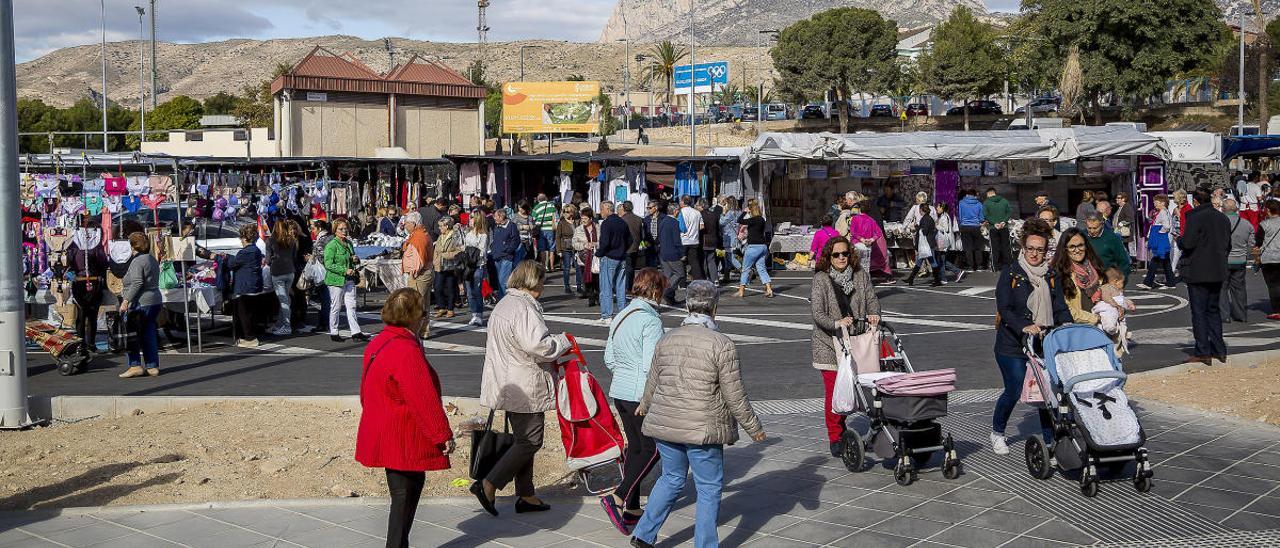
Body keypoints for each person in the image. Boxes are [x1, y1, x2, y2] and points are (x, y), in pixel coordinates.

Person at [629, 280, 766, 548]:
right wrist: (754, 426)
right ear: (714, 307)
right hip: (702, 428)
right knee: (708, 488)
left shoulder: (667, 338)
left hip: (666, 424)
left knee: (670, 479)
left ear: (688, 305)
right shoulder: (721, 343)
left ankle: (643, 534)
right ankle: (704, 544)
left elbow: (653, 380)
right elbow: (734, 393)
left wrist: (645, 405)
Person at [355, 288, 454, 548]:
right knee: (404, 494)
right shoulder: (406, 349)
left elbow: (365, 388)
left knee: (403, 490)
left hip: (382, 424)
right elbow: (423, 398)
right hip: (402, 430)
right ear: (414, 317)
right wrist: (442, 434)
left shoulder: (379, 341)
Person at [473, 261, 571, 516]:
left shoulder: (506, 303)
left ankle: (526, 494)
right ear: (531, 281)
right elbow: (538, 346)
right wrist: (563, 341)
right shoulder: (524, 307)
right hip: (525, 382)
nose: (543, 285)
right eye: (541, 280)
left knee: (523, 439)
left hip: (509, 379)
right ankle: (489, 483)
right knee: (530, 440)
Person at [991, 218, 1071, 454]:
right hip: (1012, 345)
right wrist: (1024, 326)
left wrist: (1068, 326)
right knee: (1014, 389)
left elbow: (1059, 306)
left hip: (1043, 343)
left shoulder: (1051, 274)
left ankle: (1050, 439)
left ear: (1046, 251)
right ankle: (997, 432)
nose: (1035, 254)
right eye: (1030, 249)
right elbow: (1004, 308)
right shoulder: (1012, 273)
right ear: (1022, 248)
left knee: (1047, 392)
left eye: (1040, 249)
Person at [599, 269, 668, 533]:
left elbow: (609, 358)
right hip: (641, 393)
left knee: (635, 447)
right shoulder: (650, 321)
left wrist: (625, 374)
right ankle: (619, 496)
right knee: (651, 449)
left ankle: (632, 504)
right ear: (653, 290)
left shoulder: (621, 315)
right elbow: (653, 364)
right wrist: (649, 395)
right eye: (661, 290)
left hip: (620, 390)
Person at [811, 236, 880, 456]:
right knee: (836, 392)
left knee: (865, 389)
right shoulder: (821, 279)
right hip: (829, 344)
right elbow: (817, 313)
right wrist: (836, 323)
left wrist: (874, 314)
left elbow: (872, 300)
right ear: (828, 257)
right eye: (836, 255)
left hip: (857, 343)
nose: (841, 258)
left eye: (845, 254)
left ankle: (875, 426)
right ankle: (836, 434)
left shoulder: (860, 276)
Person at [1179, 187, 1231, 364]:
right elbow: (1227, 245)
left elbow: (1188, 243)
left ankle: (1203, 351)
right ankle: (1219, 349)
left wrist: (1179, 240)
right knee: (1213, 310)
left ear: (1195, 201)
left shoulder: (1195, 217)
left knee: (1199, 312)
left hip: (1198, 269)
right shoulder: (1222, 217)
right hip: (1217, 268)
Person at [118, 232, 163, 378]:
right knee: (149, 333)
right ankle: (152, 366)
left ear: (133, 246)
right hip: (155, 300)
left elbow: (137, 282)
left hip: (141, 302)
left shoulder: (137, 261)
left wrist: (126, 300)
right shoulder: (151, 258)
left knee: (132, 334)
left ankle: (135, 365)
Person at [323, 218, 370, 343]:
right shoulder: (331, 245)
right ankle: (334, 331)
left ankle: (356, 332)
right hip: (336, 280)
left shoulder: (348, 243)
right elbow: (328, 264)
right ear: (335, 230)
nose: (344, 231)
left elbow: (352, 260)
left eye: (345, 228)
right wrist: (344, 270)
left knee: (351, 306)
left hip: (349, 279)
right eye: (341, 229)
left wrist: (355, 260)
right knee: (336, 306)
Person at [1051, 228, 1105, 328]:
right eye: (1072, 247)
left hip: (1105, 324)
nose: (1077, 250)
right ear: (1065, 249)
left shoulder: (1096, 267)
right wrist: (1095, 318)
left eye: (1080, 245)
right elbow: (1064, 308)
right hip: (1079, 328)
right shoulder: (1060, 274)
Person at [67, 222, 107, 353]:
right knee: (84, 314)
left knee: (89, 314)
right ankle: (82, 344)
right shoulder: (75, 246)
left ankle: (89, 344)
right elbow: (68, 265)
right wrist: (72, 276)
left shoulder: (94, 245)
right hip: (80, 283)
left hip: (93, 283)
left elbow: (103, 264)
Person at [227, 224, 266, 348]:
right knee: (250, 313)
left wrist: (225, 257)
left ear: (244, 238)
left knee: (244, 314)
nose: (240, 240)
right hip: (254, 286)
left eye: (241, 237)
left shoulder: (245, 252)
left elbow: (232, 264)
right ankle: (249, 336)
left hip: (245, 287)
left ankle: (250, 338)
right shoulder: (256, 250)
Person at [843, 193, 894, 283]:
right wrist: (871, 239)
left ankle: (855, 282)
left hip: (857, 244)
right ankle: (866, 283)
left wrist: (862, 239)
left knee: (856, 263)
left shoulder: (855, 218)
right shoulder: (871, 219)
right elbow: (878, 232)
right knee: (866, 265)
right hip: (868, 245)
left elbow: (853, 231)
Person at [596, 201, 632, 324]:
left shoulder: (606, 223)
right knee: (621, 287)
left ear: (607, 210)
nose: (600, 212)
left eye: (601, 209)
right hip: (621, 257)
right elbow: (630, 240)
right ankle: (623, 314)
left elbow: (605, 242)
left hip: (609, 257)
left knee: (606, 287)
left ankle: (607, 315)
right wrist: (623, 250)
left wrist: (599, 253)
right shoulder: (622, 222)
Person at [1222, 199, 1254, 323]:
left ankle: (1224, 315)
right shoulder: (1246, 224)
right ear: (1236, 209)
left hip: (1223, 260)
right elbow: (1252, 243)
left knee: (1221, 288)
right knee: (1239, 288)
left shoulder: (1219, 223)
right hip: (1240, 259)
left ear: (1223, 209)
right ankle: (1241, 315)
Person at [735, 198, 774, 298]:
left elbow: (739, 220)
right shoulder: (762, 219)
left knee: (746, 269)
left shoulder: (752, 220)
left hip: (753, 247)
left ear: (751, 209)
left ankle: (741, 291)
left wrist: (744, 212)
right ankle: (769, 289)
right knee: (761, 268)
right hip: (763, 247)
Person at [266, 219, 298, 336]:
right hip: (290, 271)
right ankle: (280, 324)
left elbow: (268, 259)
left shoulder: (270, 240)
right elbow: (294, 256)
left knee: (283, 300)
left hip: (277, 272)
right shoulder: (292, 241)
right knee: (285, 300)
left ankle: (286, 326)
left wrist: (270, 261)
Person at [1138, 194, 1178, 290]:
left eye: (1156, 202)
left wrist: (1159, 232)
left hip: (1161, 240)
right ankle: (1171, 282)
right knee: (1166, 262)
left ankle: (1148, 282)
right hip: (1163, 240)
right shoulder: (1163, 212)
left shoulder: (1163, 212)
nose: (1154, 204)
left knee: (1155, 260)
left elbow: (1167, 226)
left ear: (1162, 203)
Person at [432, 216, 464, 319]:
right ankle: (442, 307)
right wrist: (435, 261)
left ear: (447, 226)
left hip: (451, 265)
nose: (439, 228)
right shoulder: (441, 236)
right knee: (437, 287)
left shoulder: (455, 235)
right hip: (439, 265)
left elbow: (460, 250)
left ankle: (450, 309)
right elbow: (437, 250)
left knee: (450, 288)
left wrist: (446, 255)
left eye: (441, 226)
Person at [400, 212, 433, 311]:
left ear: (413, 224)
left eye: (406, 223)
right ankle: (423, 326)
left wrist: (413, 274)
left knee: (415, 306)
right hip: (425, 273)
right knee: (423, 307)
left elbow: (419, 259)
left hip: (419, 275)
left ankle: (415, 326)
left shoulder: (418, 237)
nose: (405, 225)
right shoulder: (421, 234)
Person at [1083, 213, 1131, 282]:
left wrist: (1122, 282)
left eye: (1095, 228)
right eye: (1089, 228)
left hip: (1107, 281)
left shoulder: (1112, 238)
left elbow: (1123, 262)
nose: (1092, 231)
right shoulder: (1081, 236)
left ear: (1102, 224)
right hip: (1086, 281)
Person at [463, 211, 491, 326]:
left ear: (477, 220)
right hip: (468, 265)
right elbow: (465, 247)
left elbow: (482, 251)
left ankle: (479, 314)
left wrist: (471, 251)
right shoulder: (468, 233)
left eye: (472, 218)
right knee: (469, 292)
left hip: (478, 265)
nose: (470, 220)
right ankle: (474, 313)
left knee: (477, 291)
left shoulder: (483, 235)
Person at [1093, 267, 1136, 342]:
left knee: (1122, 321)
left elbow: (1123, 298)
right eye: (1122, 282)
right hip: (1109, 307)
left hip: (1117, 309)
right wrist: (1116, 305)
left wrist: (1130, 304)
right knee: (1109, 318)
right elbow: (1106, 297)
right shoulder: (1106, 287)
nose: (1123, 285)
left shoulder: (1118, 290)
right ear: (1115, 281)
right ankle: (1111, 329)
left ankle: (1122, 332)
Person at [307, 220, 334, 334]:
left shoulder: (322, 240)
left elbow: (322, 256)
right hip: (329, 272)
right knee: (327, 299)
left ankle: (324, 323)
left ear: (319, 228)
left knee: (324, 299)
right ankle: (326, 322)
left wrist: (311, 258)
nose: (312, 230)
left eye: (313, 228)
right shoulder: (331, 238)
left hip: (323, 272)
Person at [657, 202, 685, 306]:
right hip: (672, 253)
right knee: (679, 273)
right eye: (678, 211)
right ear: (676, 211)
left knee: (668, 276)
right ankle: (665, 292)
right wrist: (682, 253)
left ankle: (670, 298)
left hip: (663, 252)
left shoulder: (663, 221)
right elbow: (677, 240)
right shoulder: (674, 222)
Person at [490, 208, 521, 299]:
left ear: (501, 216)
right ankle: (504, 299)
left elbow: (516, 241)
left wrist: (508, 250)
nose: (494, 218)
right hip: (497, 257)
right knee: (500, 281)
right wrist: (493, 250)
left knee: (503, 280)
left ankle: (503, 301)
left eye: (495, 216)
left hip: (507, 257)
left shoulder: (511, 226)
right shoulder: (497, 226)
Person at [1257, 200, 1280, 320]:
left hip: (1269, 258)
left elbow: (1258, 242)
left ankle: (1277, 309)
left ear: (1267, 210)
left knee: (1273, 285)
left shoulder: (1264, 224)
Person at [934, 202, 965, 283]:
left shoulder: (944, 217)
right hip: (942, 241)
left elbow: (946, 229)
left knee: (941, 260)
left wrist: (936, 225)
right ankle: (957, 272)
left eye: (938, 207)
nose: (937, 208)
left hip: (943, 242)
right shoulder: (944, 216)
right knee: (942, 260)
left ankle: (944, 278)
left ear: (942, 208)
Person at [983, 187, 1013, 271]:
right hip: (1004, 227)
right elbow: (1009, 212)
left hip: (993, 228)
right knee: (1006, 247)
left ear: (989, 193)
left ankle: (995, 266)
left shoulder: (986, 203)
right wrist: (1004, 221)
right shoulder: (1004, 201)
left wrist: (994, 223)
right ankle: (1009, 265)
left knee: (994, 248)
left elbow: (986, 215)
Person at [576, 207, 601, 307]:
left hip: (596, 258)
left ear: (591, 218)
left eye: (585, 219)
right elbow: (574, 243)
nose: (583, 221)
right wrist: (584, 245)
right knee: (587, 279)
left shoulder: (598, 227)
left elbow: (603, 241)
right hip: (584, 258)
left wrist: (596, 244)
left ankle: (599, 296)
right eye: (582, 219)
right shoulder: (579, 229)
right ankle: (591, 297)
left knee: (597, 279)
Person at [678, 196, 705, 280]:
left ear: (683, 202)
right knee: (694, 262)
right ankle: (698, 280)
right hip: (694, 240)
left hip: (682, 240)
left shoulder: (680, 212)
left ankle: (682, 282)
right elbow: (702, 226)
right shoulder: (697, 212)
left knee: (681, 262)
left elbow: (677, 226)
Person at [957, 189, 986, 271]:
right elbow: (981, 218)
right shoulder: (979, 204)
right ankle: (979, 265)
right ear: (974, 195)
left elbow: (960, 215)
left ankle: (970, 266)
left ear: (967, 194)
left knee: (968, 247)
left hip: (965, 226)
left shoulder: (961, 203)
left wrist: (961, 223)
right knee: (978, 247)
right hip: (976, 226)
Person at [556, 203, 580, 294]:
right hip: (565, 247)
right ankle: (567, 286)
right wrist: (558, 250)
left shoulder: (577, 221)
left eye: (570, 212)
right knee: (567, 268)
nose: (568, 214)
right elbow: (558, 237)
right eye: (566, 212)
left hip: (576, 247)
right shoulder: (561, 222)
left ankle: (579, 286)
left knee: (578, 267)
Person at [619, 201, 645, 289]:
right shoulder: (639, 219)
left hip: (625, 248)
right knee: (631, 268)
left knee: (626, 269)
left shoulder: (622, 220)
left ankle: (626, 287)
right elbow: (642, 235)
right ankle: (629, 286)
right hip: (635, 247)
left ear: (624, 208)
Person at [717, 197, 741, 285]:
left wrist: (723, 213)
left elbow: (721, 222)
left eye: (725, 203)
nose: (724, 205)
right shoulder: (738, 212)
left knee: (729, 256)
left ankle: (742, 269)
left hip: (729, 238)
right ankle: (726, 276)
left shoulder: (730, 213)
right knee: (728, 256)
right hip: (734, 236)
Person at [532, 194, 557, 272]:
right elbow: (556, 217)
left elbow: (533, 219)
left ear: (538, 200)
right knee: (551, 249)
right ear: (546, 198)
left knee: (542, 249)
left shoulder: (536, 208)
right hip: (550, 229)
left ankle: (544, 267)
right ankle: (552, 267)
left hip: (541, 230)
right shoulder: (552, 206)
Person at [1112, 192, 1137, 257]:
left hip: (1124, 232)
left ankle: (1129, 262)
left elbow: (1129, 219)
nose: (1116, 199)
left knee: (1125, 249)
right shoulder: (1121, 207)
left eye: (1118, 198)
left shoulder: (1126, 207)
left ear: (1123, 199)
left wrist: (1119, 226)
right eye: (1116, 198)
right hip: (1119, 232)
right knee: (1123, 248)